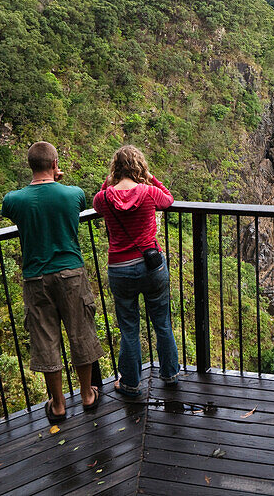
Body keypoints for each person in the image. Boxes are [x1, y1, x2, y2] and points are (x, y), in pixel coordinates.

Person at [1, 141, 102, 422]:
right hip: (71, 273)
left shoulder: (14, 200)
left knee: (45, 339)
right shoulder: (73, 194)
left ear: (29, 165)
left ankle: (57, 405)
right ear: (56, 163)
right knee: (80, 332)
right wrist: (56, 181)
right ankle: (86, 395)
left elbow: (16, 205)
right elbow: (75, 205)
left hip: (35, 277)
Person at [92, 145, 178, 397]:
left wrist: (108, 183)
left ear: (114, 169)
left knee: (129, 327)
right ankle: (170, 374)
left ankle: (130, 383)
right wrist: (152, 178)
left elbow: (99, 203)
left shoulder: (104, 198)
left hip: (120, 269)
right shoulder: (149, 192)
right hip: (151, 265)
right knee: (162, 323)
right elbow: (168, 199)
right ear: (139, 166)